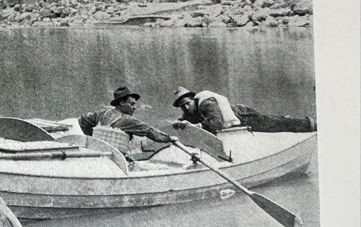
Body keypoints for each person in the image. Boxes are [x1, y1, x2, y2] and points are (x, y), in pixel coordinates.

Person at [171, 87, 316, 134]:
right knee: (272, 121)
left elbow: (216, 124)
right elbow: (185, 120)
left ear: (192, 99)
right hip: (237, 117)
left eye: (187, 103)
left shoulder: (206, 104)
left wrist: (198, 126)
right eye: (182, 106)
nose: (185, 107)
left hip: (244, 115)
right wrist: (178, 123)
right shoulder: (189, 112)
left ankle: (309, 124)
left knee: (273, 123)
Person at [78, 86, 173, 145]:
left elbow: (83, 119)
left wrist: (91, 137)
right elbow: (150, 131)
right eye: (132, 104)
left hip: (99, 154)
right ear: (122, 102)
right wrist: (170, 138)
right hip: (114, 160)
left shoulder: (102, 113)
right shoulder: (128, 120)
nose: (135, 107)